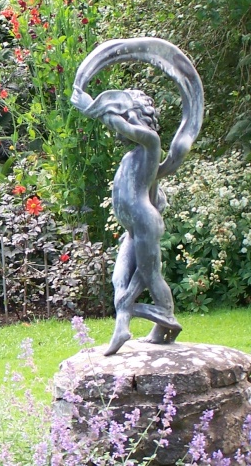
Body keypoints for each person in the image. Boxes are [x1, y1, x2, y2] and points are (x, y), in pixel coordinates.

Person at [70, 87, 181, 355]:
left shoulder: (151, 144)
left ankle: (163, 319)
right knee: (120, 278)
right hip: (133, 230)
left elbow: (121, 125)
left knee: (150, 275)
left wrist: (91, 107)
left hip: (143, 223)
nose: (118, 128)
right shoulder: (132, 156)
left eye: (125, 115)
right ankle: (131, 323)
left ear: (135, 117)